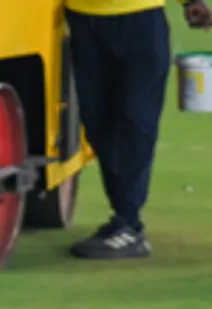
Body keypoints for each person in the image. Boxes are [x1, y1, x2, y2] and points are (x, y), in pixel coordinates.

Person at [65, 0, 212, 259]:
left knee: (135, 120)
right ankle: (124, 219)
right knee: (98, 123)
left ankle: (128, 221)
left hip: (140, 17)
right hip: (82, 17)